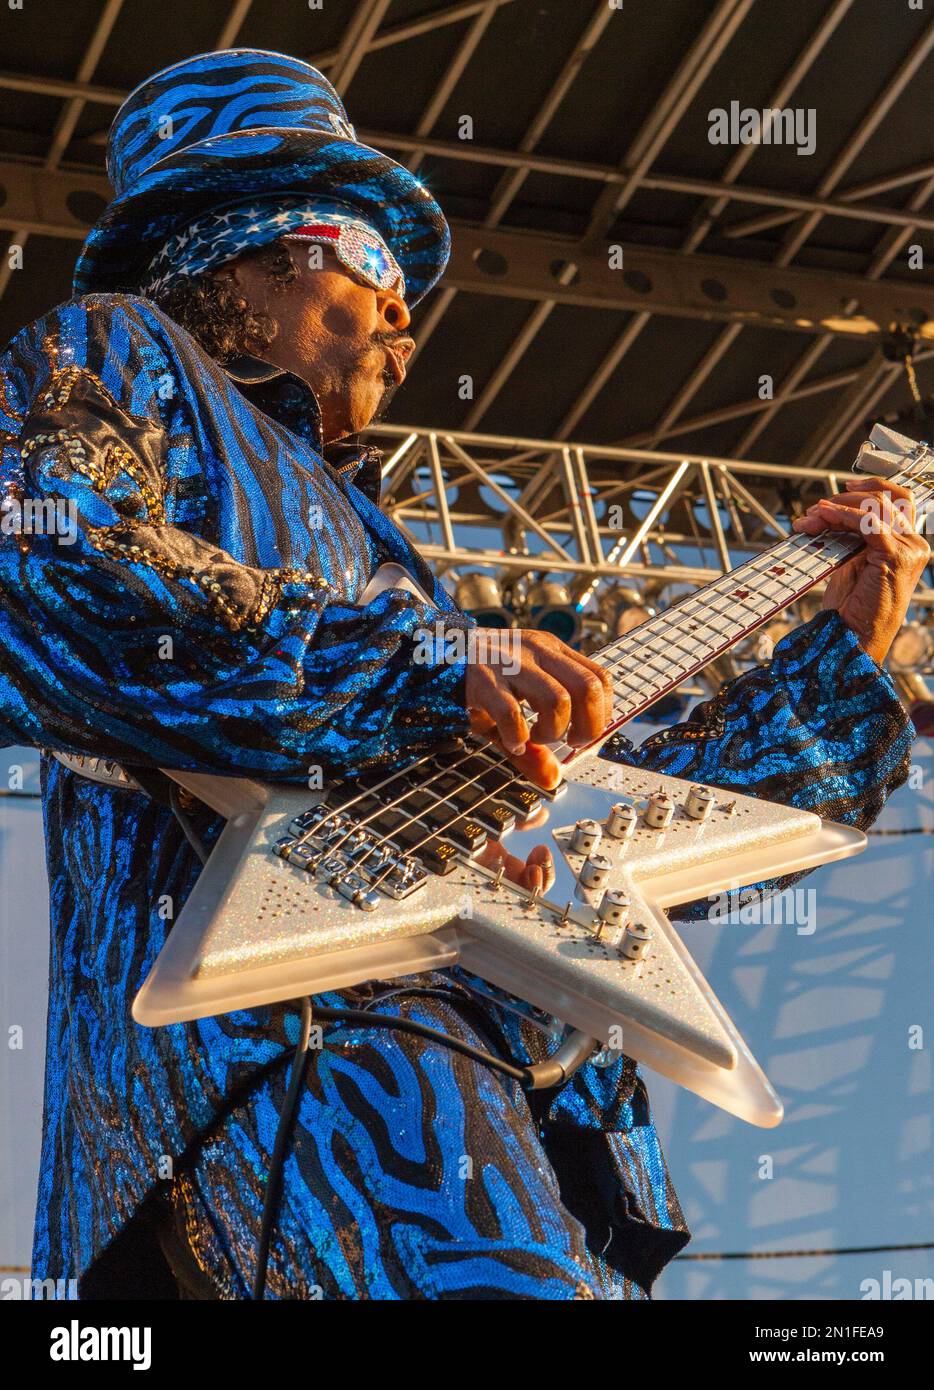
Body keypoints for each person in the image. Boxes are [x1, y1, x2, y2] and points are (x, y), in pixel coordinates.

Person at [0, 49, 926, 1301]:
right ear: (250, 247)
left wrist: (842, 651)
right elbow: (59, 573)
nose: (404, 315)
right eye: (375, 262)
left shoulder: (398, 568)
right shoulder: (117, 349)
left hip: (484, 1074)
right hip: (286, 1061)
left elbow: (612, 829)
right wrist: (425, 661)